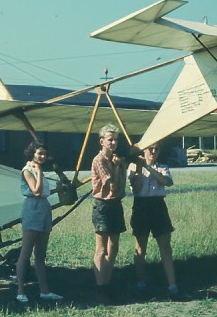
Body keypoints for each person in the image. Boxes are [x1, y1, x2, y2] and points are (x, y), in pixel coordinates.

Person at [15, 142, 63, 303]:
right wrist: (39, 172)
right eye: (39, 153)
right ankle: (20, 291)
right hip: (32, 208)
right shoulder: (28, 170)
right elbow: (36, 191)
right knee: (26, 252)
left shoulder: (38, 171)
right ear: (32, 154)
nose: (42, 157)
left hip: (43, 208)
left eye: (44, 154)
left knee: (41, 254)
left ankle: (44, 290)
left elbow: (43, 192)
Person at [128, 141, 178, 296]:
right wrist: (139, 168)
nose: (153, 152)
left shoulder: (162, 167)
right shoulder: (133, 167)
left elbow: (167, 182)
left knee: (165, 247)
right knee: (140, 248)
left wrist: (149, 167)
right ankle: (141, 282)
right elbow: (136, 188)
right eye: (151, 149)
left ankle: (172, 285)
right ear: (144, 150)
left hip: (158, 207)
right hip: (141, 206)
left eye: (157, 149)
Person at [90, 123, 128, 301]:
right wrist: (118, 166)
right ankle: (100, 286)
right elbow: (111, 184)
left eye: (116, 140)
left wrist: (120, 166)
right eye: (110, 140)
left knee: (114, 247)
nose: (113, 143)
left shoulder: (116, 160)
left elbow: (122, 188)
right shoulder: (99, 160)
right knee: (102, 248)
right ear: (102, 141)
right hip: (103, 206)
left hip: (116, 204)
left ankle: (107, 280)